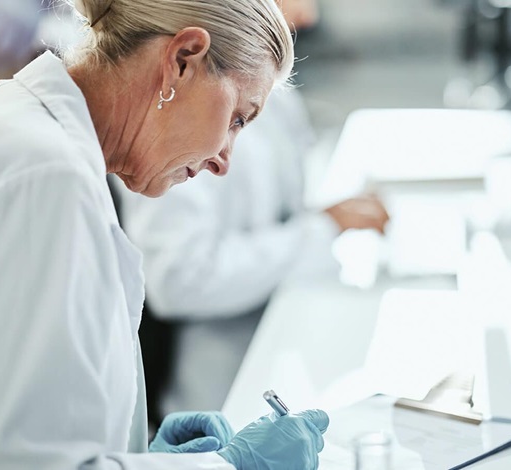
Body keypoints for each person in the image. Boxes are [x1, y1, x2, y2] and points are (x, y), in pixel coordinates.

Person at [0, 1, 330, 469]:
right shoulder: (44, 177)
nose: (224, 160)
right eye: (239, 117)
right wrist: (224, 467)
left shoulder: (17, 129)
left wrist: (137, 450)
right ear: (182, 59)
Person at [116, 0, 390, 417]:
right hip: (219, 396)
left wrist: (324, 223)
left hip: (279, 360)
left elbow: (275, 210)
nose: (309, 17)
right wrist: (320, 229)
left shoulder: (265, 83)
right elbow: (178, 279)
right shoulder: (184, 104)